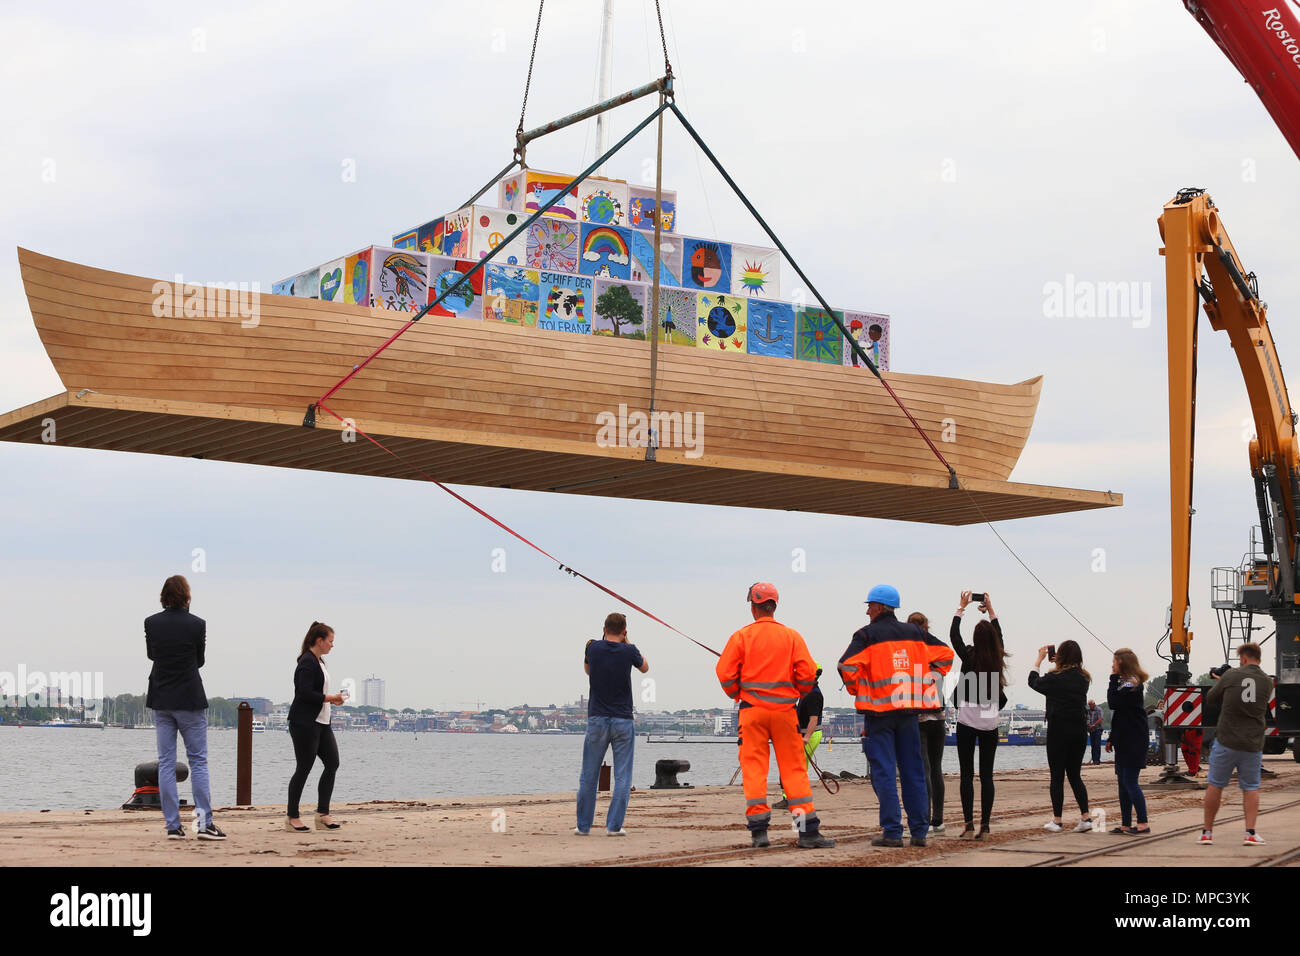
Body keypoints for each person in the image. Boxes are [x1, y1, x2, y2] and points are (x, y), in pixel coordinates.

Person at [717, 583, 834, 849]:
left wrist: (738, 692)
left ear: (753, 606)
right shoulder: (791, 636)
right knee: (793, 770)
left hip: (752, 713)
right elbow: (807, 676)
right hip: (784, 712)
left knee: (754, 769)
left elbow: (725, 674)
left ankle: (759, 833)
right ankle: (806, 833)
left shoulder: (741, 637)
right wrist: (796, 688)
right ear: (775, 606)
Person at [839, 584, 954, 848]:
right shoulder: (915, 633)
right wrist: (926, 679)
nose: (867, 611)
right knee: (913, 771)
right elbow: (946, 656)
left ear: (878, 607)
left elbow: (845, 666)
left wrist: (858, 688)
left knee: (884, 773)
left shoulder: (866, 635)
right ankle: (920, 833)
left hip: (879, 715)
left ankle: (892, 832)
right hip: (909, 714)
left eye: (869, 606)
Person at [145, 574, 225, 842]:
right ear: (187, 596)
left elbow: (152, 655)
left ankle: (172, 826)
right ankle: (204, 825)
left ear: (163, 596)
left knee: (166, 762)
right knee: (198, 761)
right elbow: (199, 660)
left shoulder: (151, 623)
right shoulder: (197, 624)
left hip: (162, 698)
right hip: (189, 698)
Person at [575, 613, 648, 836]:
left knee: (589, 774)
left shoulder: (593, 648)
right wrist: (626, 641)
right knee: (623, 775)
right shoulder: (629, 650)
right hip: (623, 719)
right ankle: (614, 826)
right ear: (624, 630)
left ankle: (584, 826)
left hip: (597, 718)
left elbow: (588, 671)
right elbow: (645, 667)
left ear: (604, 628)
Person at [949, 591, 1009, 839]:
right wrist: (991, 608)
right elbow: (1000, 635)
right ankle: (985, 826)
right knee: (987, 775)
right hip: (990, 721)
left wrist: (961, 608)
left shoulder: (969, 655)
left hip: (967, 720)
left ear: (975, 638)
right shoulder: (996, 656)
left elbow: (954, 637)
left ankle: (968, 824)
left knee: (966, 774)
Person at [1199, 643, 1271, 846]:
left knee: (1216, 784)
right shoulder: (1267, 682)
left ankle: (1207, 833)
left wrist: (1222, 682)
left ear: (1244, 658)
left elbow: (1211, 698)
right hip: (1252, 743)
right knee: (1250, 787)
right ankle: (1250, 833)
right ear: (1258, 658)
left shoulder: (1230, 676)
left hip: (1227, 740)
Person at [286, 622, 345, 832]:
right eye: (330, 641)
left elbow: (318, 694)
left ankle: (322, 814)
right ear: (319, 641)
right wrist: (331, 697)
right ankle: (292, 817)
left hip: (322, 723)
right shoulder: (306, 662)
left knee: (332, 763)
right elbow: (304, 693)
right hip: (304, 724)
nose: (332, 645)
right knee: (304, 768)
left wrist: (333, 700)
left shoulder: (320, 662)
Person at [1028, 640, 1092, 832]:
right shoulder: (1084, 678)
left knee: (1057, 776)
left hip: (1059, 730)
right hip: (1079, 731)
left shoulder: (1054, 677)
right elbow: (1067, 677)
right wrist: (1059, 664)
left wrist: (1038, 660)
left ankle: (1057, 820)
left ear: (1061, 656)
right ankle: (1086, 817)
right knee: (1075, 775)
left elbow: (1033, 682)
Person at [909, 612, 948, 834]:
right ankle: (938, 820)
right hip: (938, 717)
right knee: (936, 769)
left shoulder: (909, 655)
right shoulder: (938, 655)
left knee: (923, 770)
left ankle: (924, 817)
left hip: (919, 718)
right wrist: (927, 636)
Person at [1106, 649, 1150, 834]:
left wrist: (1112, 678)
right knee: (1123, 783)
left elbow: (1113, 703)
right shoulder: (1125, 683)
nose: (1112, 665)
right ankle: (1125, 823)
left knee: (1130, 781)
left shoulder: (1132, 683)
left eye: (1114, 662)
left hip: (1134, 739)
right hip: (1124, 738)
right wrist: (1111, 738)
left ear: (1122, 663)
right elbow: (1120, 714)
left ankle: (1143, 823)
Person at [775, 661, 826, 810]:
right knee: (798, 767)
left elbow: (814, 719)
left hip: (808, 735)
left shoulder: (813, 694)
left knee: (793, 767)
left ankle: (792, 799)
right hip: (803, 733)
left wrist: (806, 738)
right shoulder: (806, 689)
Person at [1087, 699, 1105, 765]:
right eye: (1089, 705)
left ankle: (1097, 760)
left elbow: (1100, 719)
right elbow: (1087, 719)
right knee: (1093, 745)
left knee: (1097, 745)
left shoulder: (1099, 709)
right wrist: (1088, 726)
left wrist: (1093, 725)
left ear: (1094, 704)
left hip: (1098, 729)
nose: (1090, 706)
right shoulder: (1088, 711)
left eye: (1090, 705)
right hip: (1091, 730)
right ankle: (1094, 760)